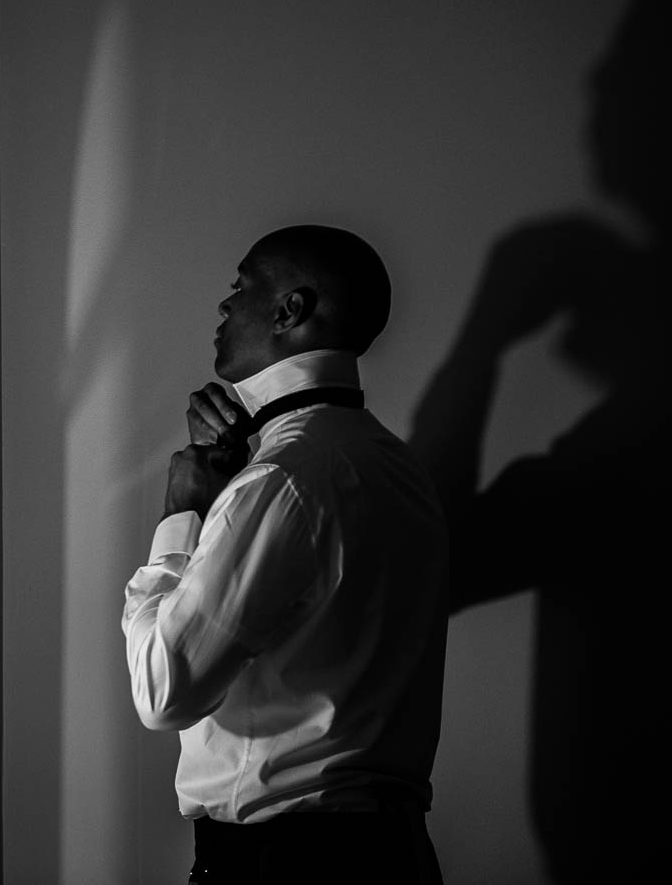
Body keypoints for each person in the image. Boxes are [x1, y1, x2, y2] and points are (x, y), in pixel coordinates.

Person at [121, 225, 448, 883]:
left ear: (290, 309)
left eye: (239, 288)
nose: (223, 308)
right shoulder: (393, 464)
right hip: (392, 855)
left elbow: (164, 691)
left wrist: (182, 511)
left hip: (287, 865)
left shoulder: (284, 479)